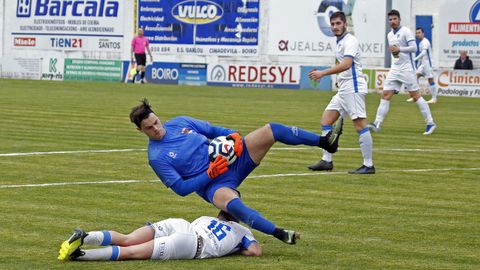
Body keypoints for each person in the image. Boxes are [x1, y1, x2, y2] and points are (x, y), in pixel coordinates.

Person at [129, 99, 341, 245]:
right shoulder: (156, 157)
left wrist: (234, 137)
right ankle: (278, 233)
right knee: (233, 204)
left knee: (272, 129)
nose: (156, 128)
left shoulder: (179, 122)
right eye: (149, 128)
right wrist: (209, 174)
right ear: (140, 131)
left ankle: (325, 142)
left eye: (155, 122)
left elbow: (213, 130)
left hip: (233, 160)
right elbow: (181, 189)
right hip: (212, 185)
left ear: (157, 115)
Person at [307, 11, 374, 174]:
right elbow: (343, 66)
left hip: (354, 87)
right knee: (326, 119)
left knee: (360, 125)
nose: (335, 27)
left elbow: (347, 64)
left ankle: (368, 165)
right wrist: (340, 78)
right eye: (333, 24)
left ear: (345, 24)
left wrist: (323, 73)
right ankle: (326, 161)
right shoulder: (340, 42)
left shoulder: (350, 40)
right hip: (345, 88)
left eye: (338, 23)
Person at [57, 214, 261, 261]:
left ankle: (86, 236)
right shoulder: (243, 232)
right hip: (191, 245)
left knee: (127, 239)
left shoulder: (206, 217)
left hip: (181, 224)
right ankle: (81, 256)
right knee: (130, 252)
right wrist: (237, 249)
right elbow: (254, 251)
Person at [368, 10, 436, 135]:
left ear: (399, 19)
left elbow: (414, 48)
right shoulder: (389, 35)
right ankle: (377, 123)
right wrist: (395, 51)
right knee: (385, 95)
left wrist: (399, 49)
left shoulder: (405, 31)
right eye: (390, 19)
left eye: (395, 19)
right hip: (395, 68)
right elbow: (395, 53)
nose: (392, 21)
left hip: (406, 69)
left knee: (415, 96)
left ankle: (430, 123)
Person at [406, 27, 438, 104]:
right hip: (423, 64)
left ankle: (434, 98)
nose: (417, 34)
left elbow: (423, 53)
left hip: (428, 64)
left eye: (419, 33)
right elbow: (422, 57)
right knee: (415, 77)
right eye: (416, 33)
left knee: (430, 80)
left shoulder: (425, 42)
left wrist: (414, 59)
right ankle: (415, 97)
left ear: (423, 33)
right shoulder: (420, 43)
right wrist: (417, 64)